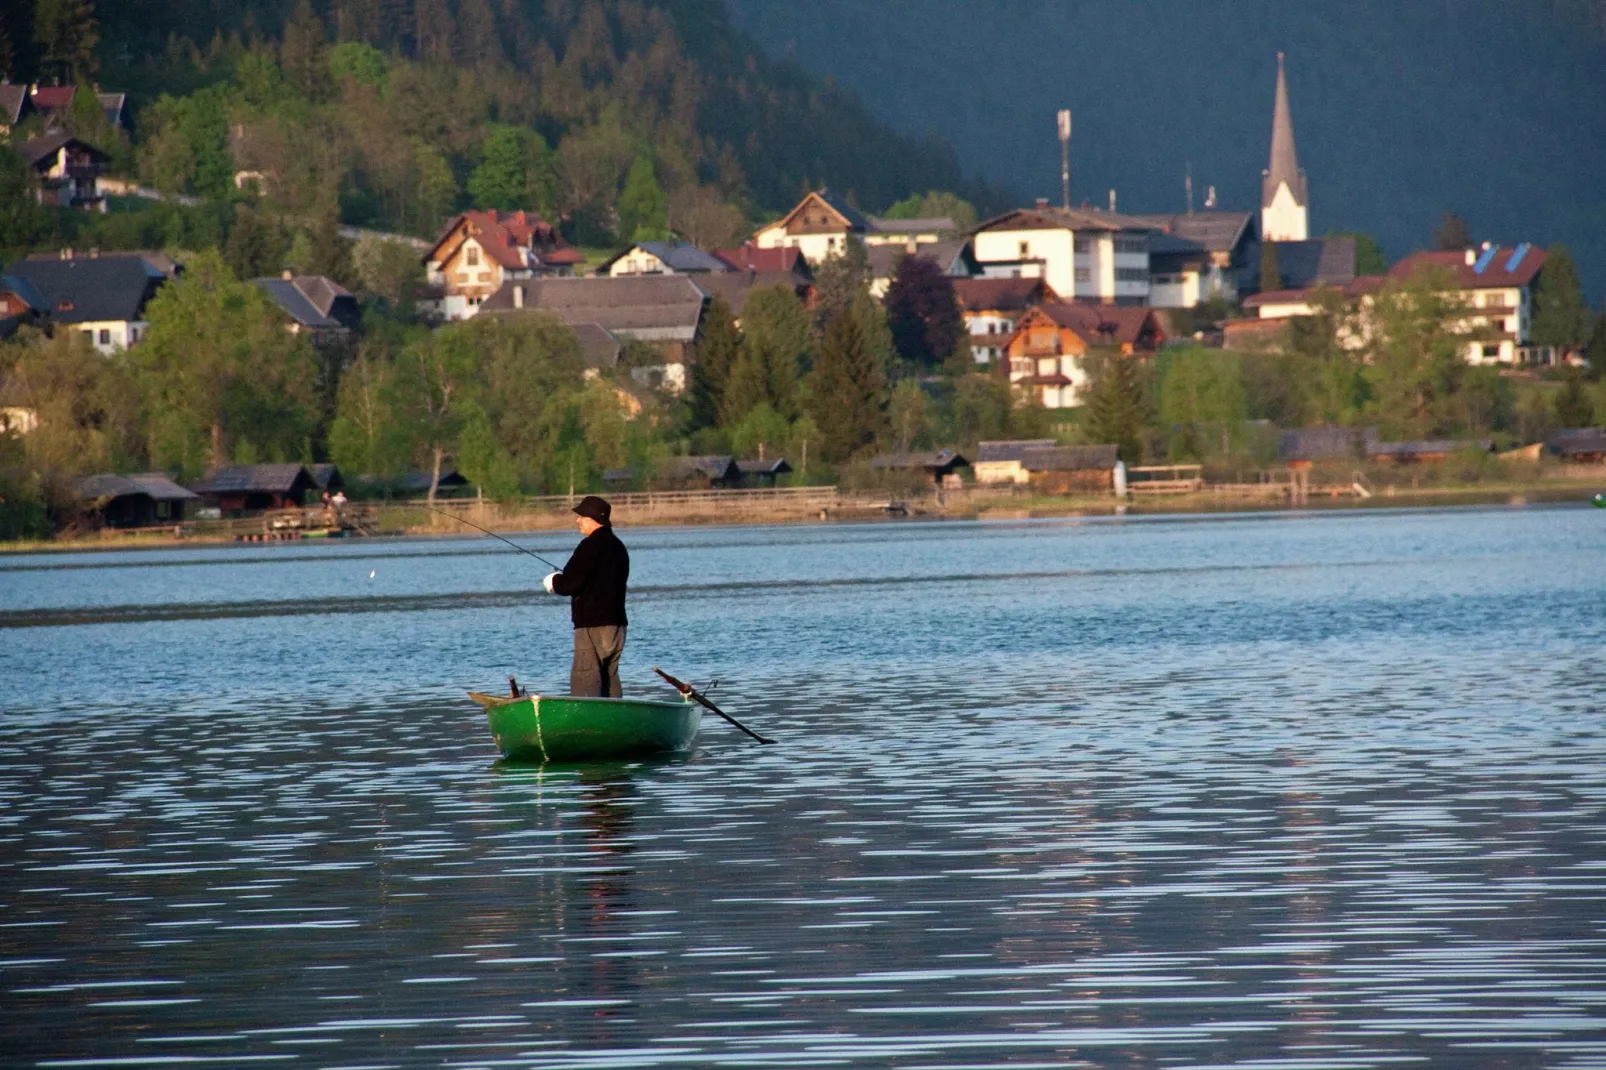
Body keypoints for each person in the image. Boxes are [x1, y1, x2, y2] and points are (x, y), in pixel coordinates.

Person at [543, 495, 629, 697]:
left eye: (581, 516)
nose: (577, 520)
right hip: (617, 626)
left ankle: (587, 723)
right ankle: (614, 719)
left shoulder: (589, 546)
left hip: (592, 626)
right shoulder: (619, 547)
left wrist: (553, 582)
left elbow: (570, 584)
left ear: (592, 518)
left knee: (586, 678)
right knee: (610, 677)